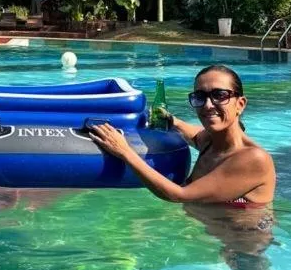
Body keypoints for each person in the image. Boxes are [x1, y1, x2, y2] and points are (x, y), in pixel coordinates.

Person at [89, 64, 275, 222]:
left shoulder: (253, 159)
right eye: (200, 97)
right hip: (209, 232)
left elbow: (179, 195)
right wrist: (171, 121)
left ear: (240, 104)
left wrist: (126, 152)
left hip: (242, 247)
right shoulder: (211, 141)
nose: (208, 105)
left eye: (220, 95)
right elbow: (194, 135)